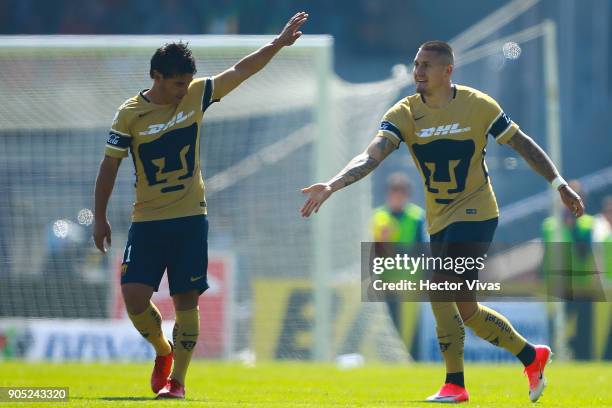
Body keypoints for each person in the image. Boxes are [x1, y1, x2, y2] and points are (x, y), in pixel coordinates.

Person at [301, 40, 584, 403]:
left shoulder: (479, 106)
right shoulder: (403, 113)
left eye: (426, 65)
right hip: (439, 220)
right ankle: (531, 356)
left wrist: (559, 185)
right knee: (465, 309)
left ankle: (455, 384)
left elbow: (523, 144)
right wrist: (333, 184)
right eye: (415, 64)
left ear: (447, 70)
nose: (417, 71)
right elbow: (370, 157)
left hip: (478, 211)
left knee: (438, 285)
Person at [93, 12, 308, 399]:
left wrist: (277, 44)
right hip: (147, 220)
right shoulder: (129, 115)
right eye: (177, 84)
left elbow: (242, 70)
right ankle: (163, 351)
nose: (182, 90)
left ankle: (178, 383)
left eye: (186, 83)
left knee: (186, 300)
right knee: (135, 297)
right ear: (156, 77)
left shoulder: (196, 94)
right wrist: (100, 217)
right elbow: (109, 166)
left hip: (191, 218)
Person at [371, 173, 425, 334]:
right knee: (389, 326)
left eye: (402, 193)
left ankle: (412, 358)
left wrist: (394, 250)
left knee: (411, 329)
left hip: (409, 282)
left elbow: (421, 250)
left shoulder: (416, 217)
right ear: (388, 194)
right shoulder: (378, 216)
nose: (398, 197)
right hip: (385, 281)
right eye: (395, 193)